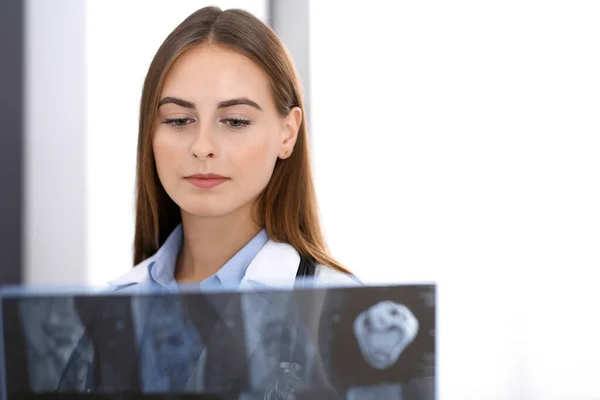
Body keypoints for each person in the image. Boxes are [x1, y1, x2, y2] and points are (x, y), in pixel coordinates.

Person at [107, 6, 358, 292]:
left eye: (235, 121)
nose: (202, 147)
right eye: (178, 120)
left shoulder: (340, 305)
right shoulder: (104, 312)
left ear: (287, 134)